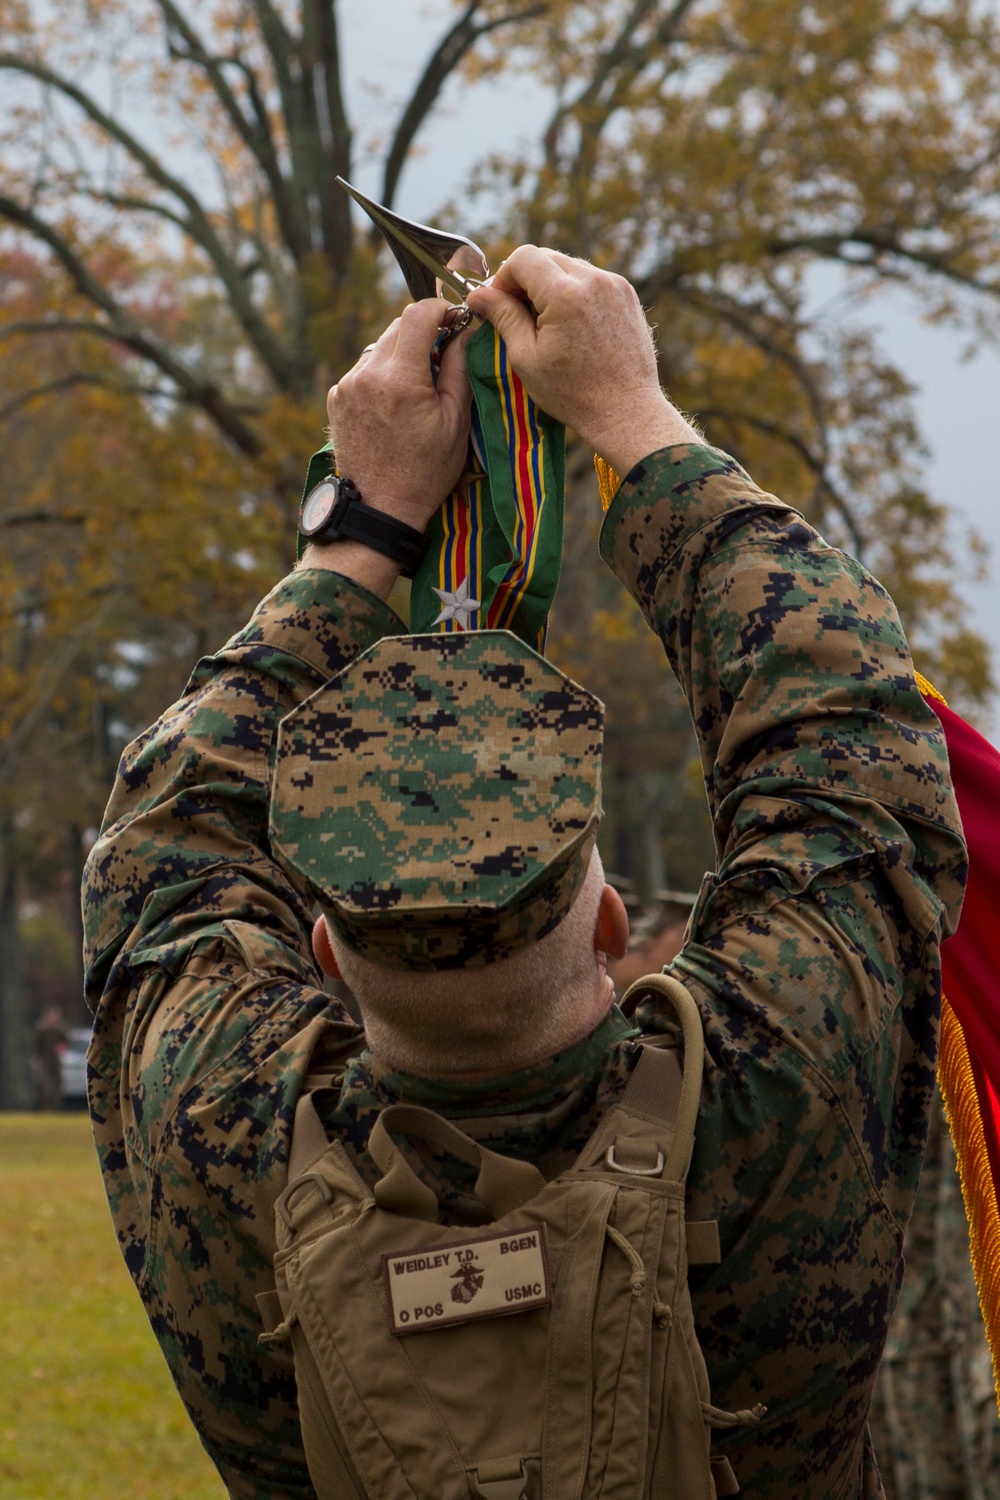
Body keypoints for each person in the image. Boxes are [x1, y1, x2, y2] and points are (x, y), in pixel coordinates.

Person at [83, 249, 966, 1499]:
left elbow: (166, 834)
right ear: (609, 920)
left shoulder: (219, 1135)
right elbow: (846, 731)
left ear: (327, 954)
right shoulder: (776, 1083)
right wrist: (632, 420)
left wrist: (356, 539)